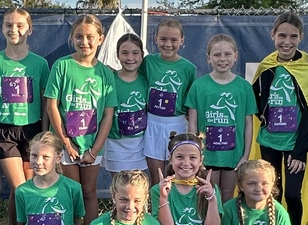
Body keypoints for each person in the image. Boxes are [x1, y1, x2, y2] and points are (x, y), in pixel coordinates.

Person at [0, 7, 50, 225]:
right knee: (20, 188)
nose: (14, 30)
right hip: (4, 132)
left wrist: (44, 135)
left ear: (29, 29)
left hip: (32, 131)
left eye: (20, 25)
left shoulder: (40, 64)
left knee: (31, 187)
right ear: (2, 29)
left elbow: (45, 102)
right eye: (9, 25)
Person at [44, 13, 117, 225]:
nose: (84, 42)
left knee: (89, 192)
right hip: (66, 145)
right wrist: (67, 143)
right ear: (72, 38)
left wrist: (94, 150)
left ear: (100, 39)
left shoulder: (105, 73)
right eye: (79, 36)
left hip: (92, 145)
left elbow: (108, 115)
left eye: (90, 37)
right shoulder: (62, 66)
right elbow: (52, 106)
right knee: (71, 194)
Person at [252, 11, 308, 225]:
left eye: (293, 36)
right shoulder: (267, 65)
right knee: (272, 191)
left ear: (301, 37)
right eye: (282, 35)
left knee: (292, 194)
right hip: (269, 140)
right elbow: (253, 95)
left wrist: (300, 152)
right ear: (273, 35)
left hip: (294, 143)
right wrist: (262, 114)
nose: (287, 42)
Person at [185, 34, 258, 203]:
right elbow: (192, 123)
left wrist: (245, 155)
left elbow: (248, 124)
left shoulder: (244, 87)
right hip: (207, 156)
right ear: (208, 58)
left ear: (235, 56)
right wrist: (196, 153)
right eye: (217, 54)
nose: (222, 59)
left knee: (227, 196)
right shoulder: (198, 86)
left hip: (233, 156)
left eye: (227, 54)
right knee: (207, 196)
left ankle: (224, 222)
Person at [141, 19, 197, 184]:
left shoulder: (188, 68)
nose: (168, 44)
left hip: (177, 125)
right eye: (163, 39)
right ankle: (157, 202)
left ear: (182, 40)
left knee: (176, 177)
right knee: (157, 179)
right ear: (155, 39)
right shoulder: (148, 62)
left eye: (174, 40)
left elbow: (190, 103)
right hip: (152, 124)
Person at [101, 32, 149, 175]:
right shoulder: (110, 79)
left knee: (136, 184)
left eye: (135, 53)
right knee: (119, 184)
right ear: (117, 55)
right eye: (124, 53)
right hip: (114, 143)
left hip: (139, 143)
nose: (130, 58)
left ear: (142, 55)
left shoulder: (147, 80)